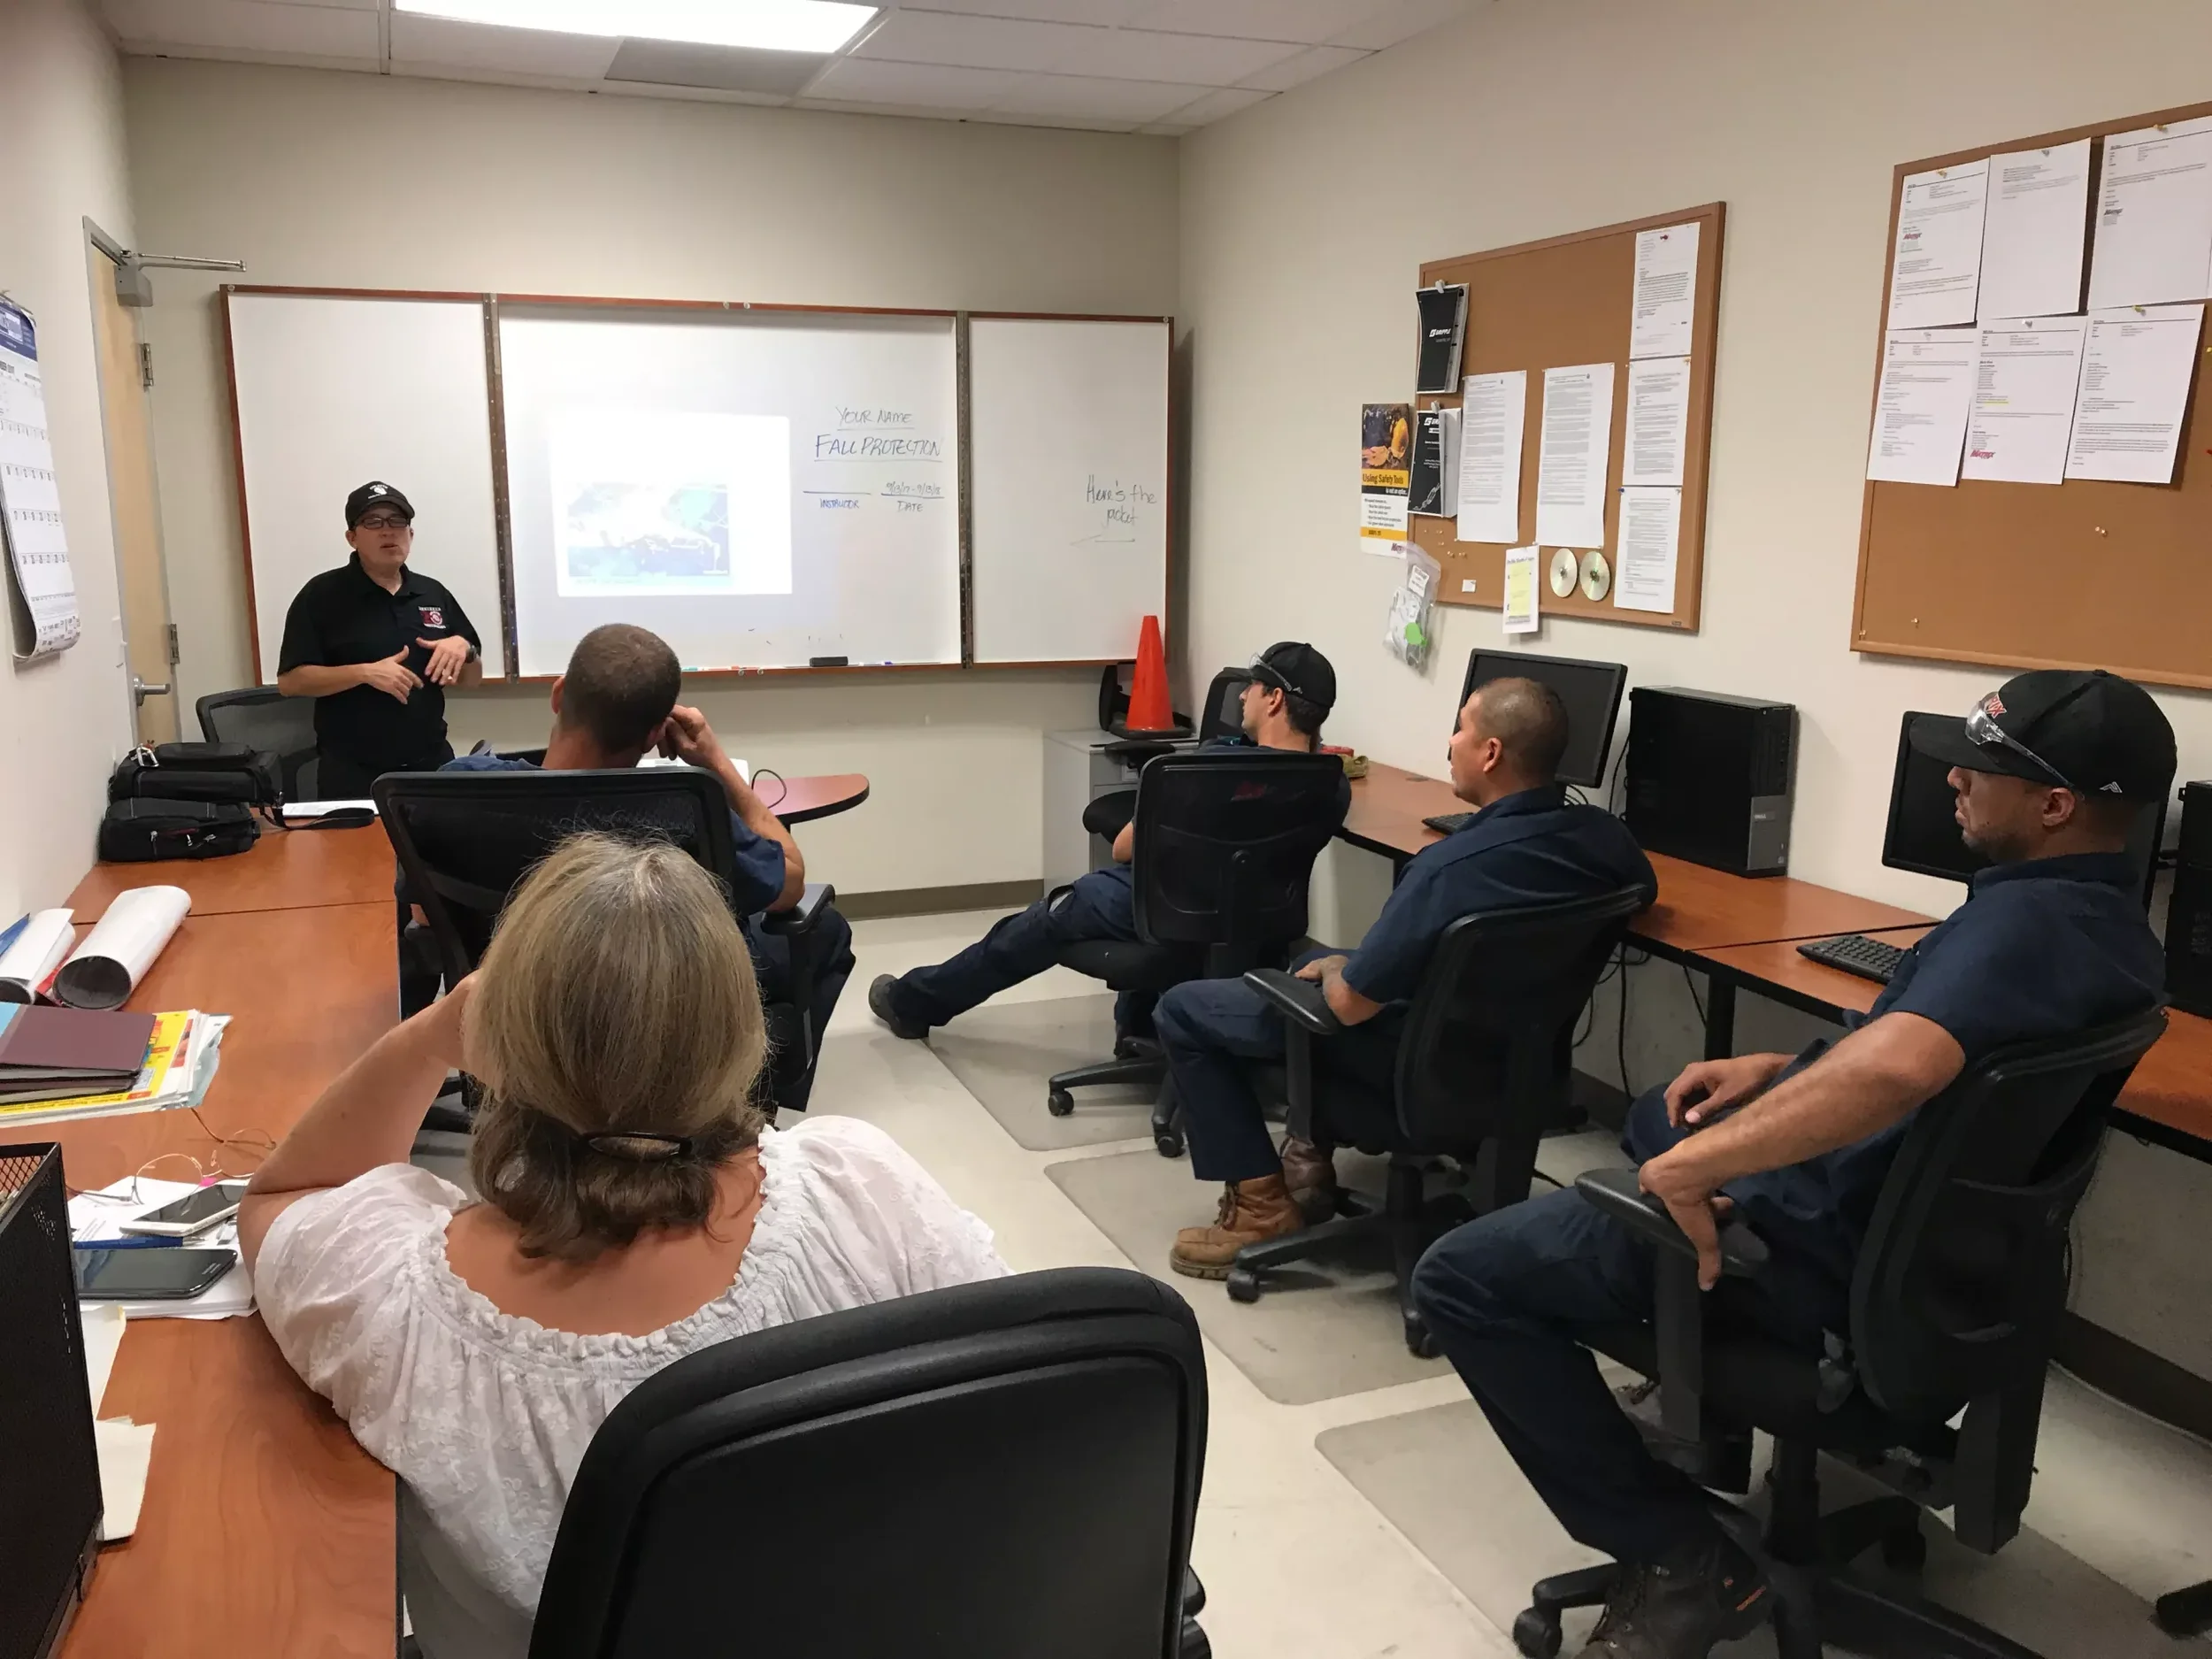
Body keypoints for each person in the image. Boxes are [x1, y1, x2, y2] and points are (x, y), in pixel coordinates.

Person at [1409, 668, 2174, 1659]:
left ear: (2056, 805)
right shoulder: (2108, 933)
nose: (1953, 785)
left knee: (1464, 1275)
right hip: (1931, 1275)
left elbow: (1902, 1066)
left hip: (1798, 1260)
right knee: (1664, 1109)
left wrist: (1691, 1175)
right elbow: (1932, 1056)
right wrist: (1786, 1067)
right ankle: (1701, 1422)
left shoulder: (2024, 926)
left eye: (1979, 772)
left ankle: (1684, 1557)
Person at [241, 833, 1008, 1659]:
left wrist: (432, 1032)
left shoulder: (403, 1304)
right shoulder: (866, 1190)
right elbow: (1029, 1414)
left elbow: (288, 1195)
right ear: (738, 1030)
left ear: (501, 1035)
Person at [1154, 675, 1656, 1277]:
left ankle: (1262, 1205)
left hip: (1410, 1076)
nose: (1450, 744)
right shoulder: (1608, 840)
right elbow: (1642, 891)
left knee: (1184, 1008)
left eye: (1461, 727)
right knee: (1314, 962)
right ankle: (1309, 1158)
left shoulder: (1447, 869)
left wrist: (1346, 970)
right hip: (1521, 1072)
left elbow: (1346, 1007)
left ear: (1491, 752)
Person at [438, 623, 853, 1110]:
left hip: (526, 999)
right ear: (658, 732)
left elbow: (426, 916)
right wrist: (715, 762)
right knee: (827, 931)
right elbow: (790, 878)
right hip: (663, 1007)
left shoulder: (458, 789)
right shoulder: (684, 809)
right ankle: (743, 1102)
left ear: (558, 695)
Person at [866, 641, 1350, 1047]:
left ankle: (913, 1003)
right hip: (1260, 920)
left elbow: (1123, 849)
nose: (1243, 694)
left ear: (1273, 701)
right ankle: (1140, 1023)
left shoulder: (1204, 771)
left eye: (1254, 685)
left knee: (1046, 918)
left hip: (1171, 907)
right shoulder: (1331, 782)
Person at [277, 481, 483, 799]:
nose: (388, 531)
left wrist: (465, 650)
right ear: (352, 538)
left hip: (431, 767)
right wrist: (364, 673)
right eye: (374, 522)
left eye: (397, 521)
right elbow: (291, 682)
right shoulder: (321, 596)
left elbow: (472, 680)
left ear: (411, 535)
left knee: (441, 850)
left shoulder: (433, 593)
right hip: (352, 773)